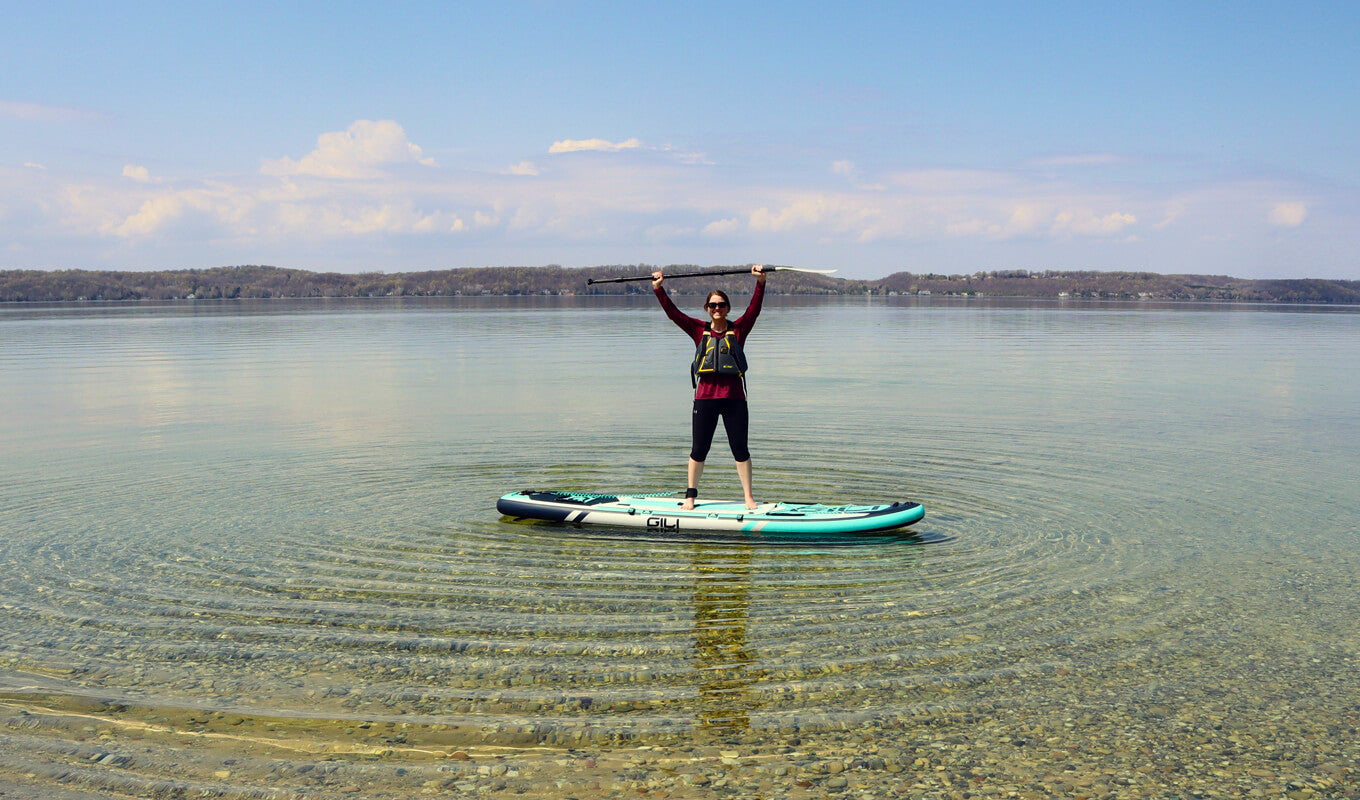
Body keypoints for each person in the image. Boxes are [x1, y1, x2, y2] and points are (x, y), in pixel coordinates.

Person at [651, 264, 767, 510]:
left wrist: (760, 282)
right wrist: (659, 289)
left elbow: (754, 310)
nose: (717, 309)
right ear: (707, 309)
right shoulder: (697, 329)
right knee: (698, 449)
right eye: (713, 305)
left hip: (734, 400)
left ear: (727, 308)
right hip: (705, 400)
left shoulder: (739, 329)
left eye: (721, 305)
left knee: (740, 449)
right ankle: (690, 496)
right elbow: (674, 314)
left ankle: (748, 497)